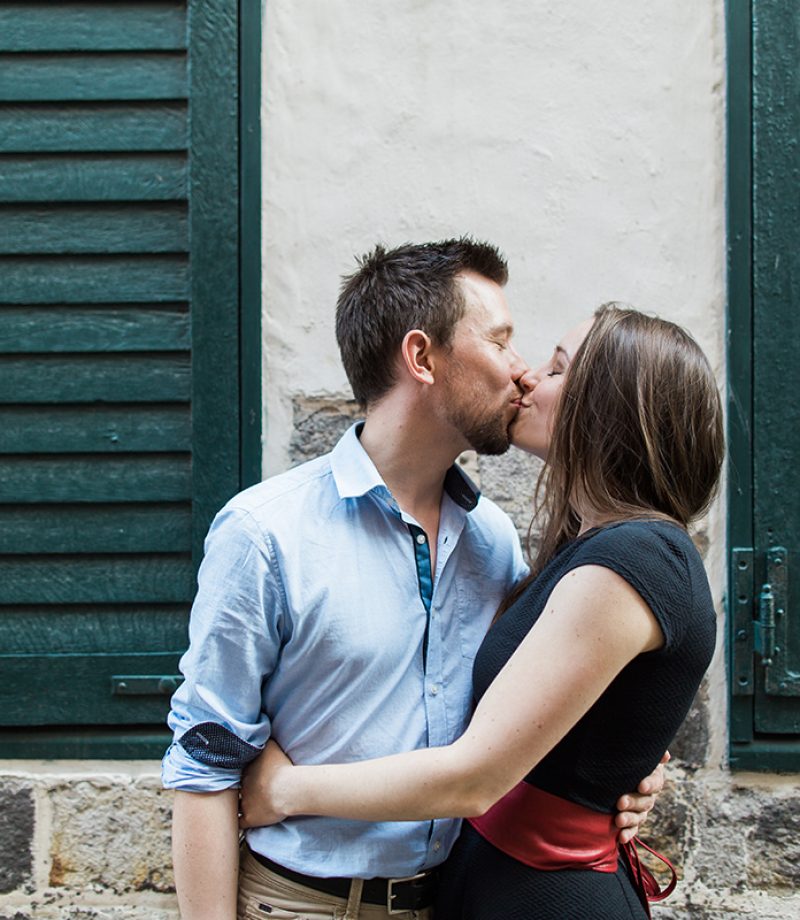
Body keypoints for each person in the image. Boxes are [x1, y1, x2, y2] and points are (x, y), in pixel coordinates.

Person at [162, 240, 663, 920]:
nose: (522, 374)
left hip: (453, 901)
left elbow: (554, 689)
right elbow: (204, 768)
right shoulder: (264, 534)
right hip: (302, 905)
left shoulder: (493, 540)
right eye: (501, 342)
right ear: (422, 358)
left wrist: (631, 768)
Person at [239, 303, 725, 920]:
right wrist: (627, 769)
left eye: (556, 370)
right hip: (489, 884)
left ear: (608, 408)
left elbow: (474, 778)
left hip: (549, 899)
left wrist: (282, 789)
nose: (528, 379)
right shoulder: (587, 549)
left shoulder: (638, 555)